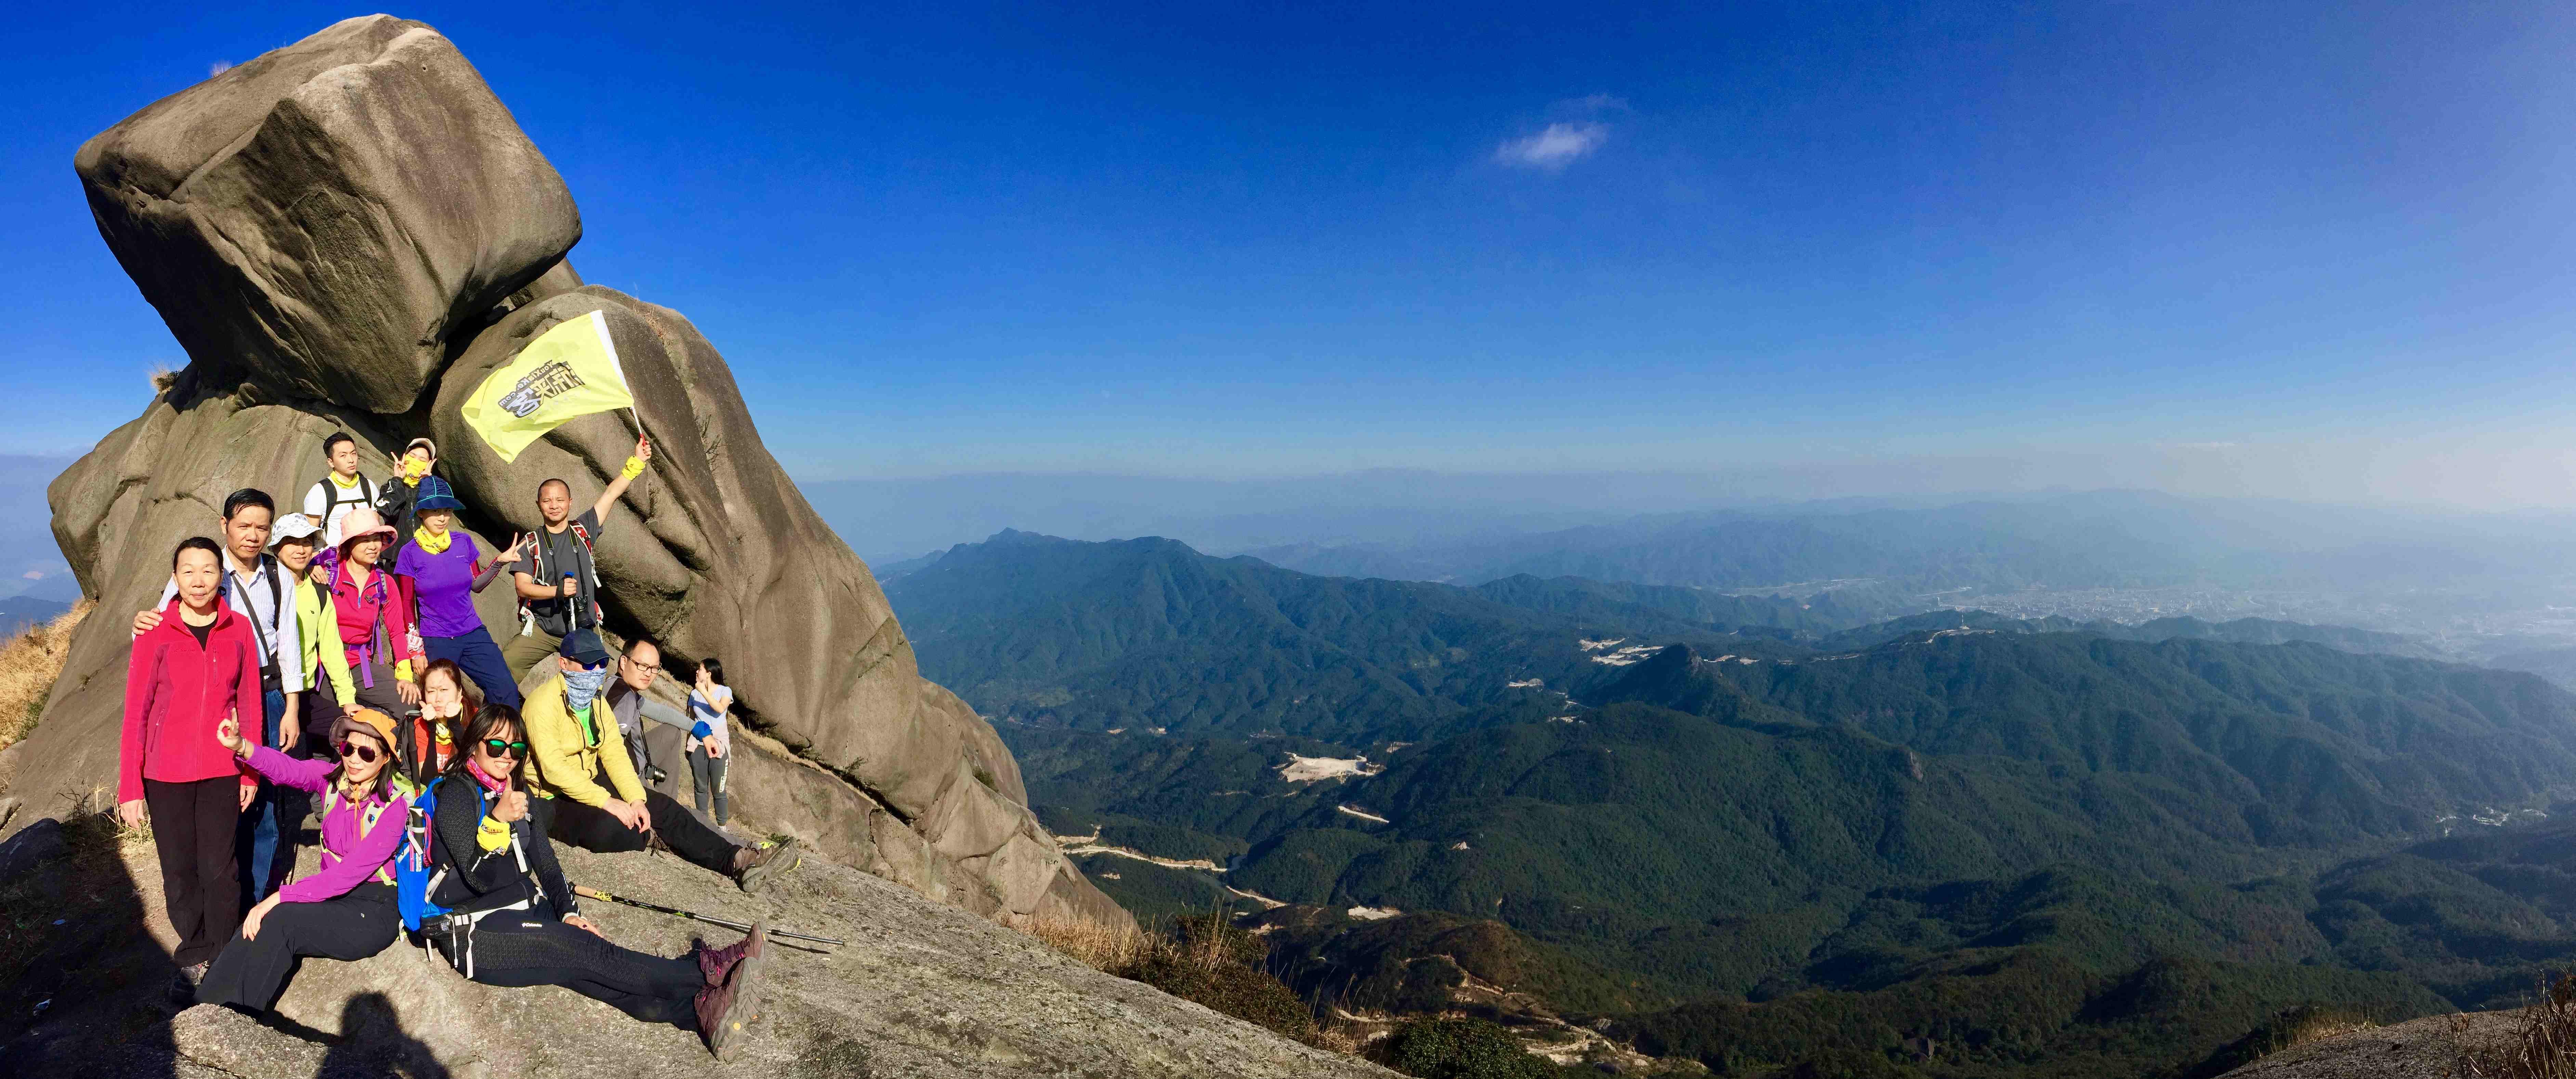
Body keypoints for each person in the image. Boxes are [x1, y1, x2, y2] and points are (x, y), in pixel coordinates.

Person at [421, 704, 772, 1058]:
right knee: (589, 952)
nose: (506, 757)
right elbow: (478, 878)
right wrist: (496, 822)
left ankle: (700, 1014)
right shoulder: (456, 794)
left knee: (601, 973)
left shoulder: (516, 793)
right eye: (495, 746)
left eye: (516, 749)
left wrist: (569, 914)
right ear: (473, 746)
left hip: (522, 906)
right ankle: (707, 975)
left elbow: (547, 863)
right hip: (475, 932)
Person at [128, 490, 304, 902]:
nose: (253, 536)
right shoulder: (201, 569)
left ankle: (255, 903)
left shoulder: (278, 575)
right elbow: (159, 627)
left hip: (268, 692)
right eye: (244, 526)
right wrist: (138, 623)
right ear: (224, 526)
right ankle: (226, 895)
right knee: (224, 806)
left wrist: (292, 707)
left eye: (263, 527)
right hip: (220, 700)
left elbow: (289, 645)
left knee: (263, 804)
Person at [523, 629, 797, 893]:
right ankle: (658, 836)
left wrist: (636, 799)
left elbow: (615, 754)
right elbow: (553, 770)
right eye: (587, 665)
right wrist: (609, 802)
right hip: (551, 796)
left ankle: (738, 861)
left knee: (662, 808)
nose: (595, 671)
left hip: (590, 782)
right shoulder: (543, 705)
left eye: (600, 663)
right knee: (614, 828)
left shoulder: (595, 703)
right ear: (564, 664)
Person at [196, 708, 411, 1014]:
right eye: (349, 748)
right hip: (334, 898)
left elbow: (348, 874)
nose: (353, 759)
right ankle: (202, 1006)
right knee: (257, 921)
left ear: (386, 759)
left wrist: (279, 896)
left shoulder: (394, 808)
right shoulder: (335, 782)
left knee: (282, 920)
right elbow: (289, 769)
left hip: (372, 909)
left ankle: (240, 1019)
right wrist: (242, 746)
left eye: (366, 753)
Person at [119, 537, 262, 996]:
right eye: (188, 571)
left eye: (208, 570)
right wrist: (130, 786)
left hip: (222, 766)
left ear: (222, 576)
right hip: (165, 774)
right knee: (179, 870)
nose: (199, 580)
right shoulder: (155, 631)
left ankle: (224, 956)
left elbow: (251, 705)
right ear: (175, 578)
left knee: (221, 867)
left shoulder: (238, 628)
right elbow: (136, 712)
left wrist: (250, 769)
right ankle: (194, 952)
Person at [501, 435, 653, 677]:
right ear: (539, 504)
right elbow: (523, 588)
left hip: (583, 626)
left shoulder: (584, 530)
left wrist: (637, 460)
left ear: (570, 503)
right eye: (547, 500)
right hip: (543, 627)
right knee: (504, 668)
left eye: (560, 500)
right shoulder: (529, 544)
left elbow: (611, 494)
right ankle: (499, 714)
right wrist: (557, 592)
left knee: (594, 681)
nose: (554, 505)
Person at [393, 475, 523, 709]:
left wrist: (500, 561)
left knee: (505, 691)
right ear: (421, 513)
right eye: (435, 511)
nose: (443, 517)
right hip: (437, 639)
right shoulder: (409, 553)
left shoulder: (463, 542)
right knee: (440, 706)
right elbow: (406, 604)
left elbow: (476, 585)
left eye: (447, 510)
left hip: (472, 633)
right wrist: (416, 651)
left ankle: (499, 743)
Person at [325, 507, 423, 719]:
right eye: (364, 540)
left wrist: (405, 676)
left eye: (377, 539)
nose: (373, 546)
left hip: (360, 666)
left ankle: (395, 752)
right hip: (323, 665)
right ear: (349, 544)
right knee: (332, 722)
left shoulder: (385, 583)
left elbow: (397, 632)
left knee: (411, 704)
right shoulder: (329, 575)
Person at [272, 513, 358, 753]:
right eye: (293, 542)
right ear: (277, 547)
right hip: (270, 693)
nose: (301, 550)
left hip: (305, 696)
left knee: (356, 732)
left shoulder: (320, 591)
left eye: (307, 542)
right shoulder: (264, 586)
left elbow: (332, 649)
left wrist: (347, 698)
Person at [602, 637, 695, 801]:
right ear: (624, 663)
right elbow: (612, 752)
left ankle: (666, 800)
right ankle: (665, 806)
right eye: (643, 666)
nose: (649, 674)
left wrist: (697, 729)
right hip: (628, 777)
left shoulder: (618, 685)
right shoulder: (625, 698)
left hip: (635, 759)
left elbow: (661, 713)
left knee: (672, 732)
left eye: (654, 668)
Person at [404, 659, 479, 786]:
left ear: (459, 691)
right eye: (431, 691)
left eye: (444, 690)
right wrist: (431, 729)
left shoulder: (476, 718)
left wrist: (456, 726)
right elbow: (428, 781)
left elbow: (480, 766)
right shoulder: (420, 725)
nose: (438, 699)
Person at [302, 431, 381, 548]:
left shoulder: (369, 487)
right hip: (333, 562)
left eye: (353, 454)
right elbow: (310, 536)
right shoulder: (320, 492)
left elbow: (376, 528)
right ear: (331, 462)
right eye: (343, 456)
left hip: (366, 561)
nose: (351, 460)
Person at [686, 659, 733, 826]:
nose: (697, 672)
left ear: (709, 674)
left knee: (719, 790)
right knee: (700, 788)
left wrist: (703, 691)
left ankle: (722, 828)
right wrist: (688, 746)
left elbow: (720, 709)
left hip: (719, 745)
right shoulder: (693, 694)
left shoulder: (725, 691)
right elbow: (690, 720)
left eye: (700, 669)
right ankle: (703, 825)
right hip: (698, 744)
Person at [374, 437, 439, 560]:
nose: (415, 461)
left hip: (427, 557)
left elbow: (438, 517)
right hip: (395, 558)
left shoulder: (432, 489)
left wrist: (428, 483)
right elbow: (387, 511)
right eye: (412, 456)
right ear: (405, 458)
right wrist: (398, 479)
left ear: (429, 465)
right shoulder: (391, 486)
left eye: (422, 460)